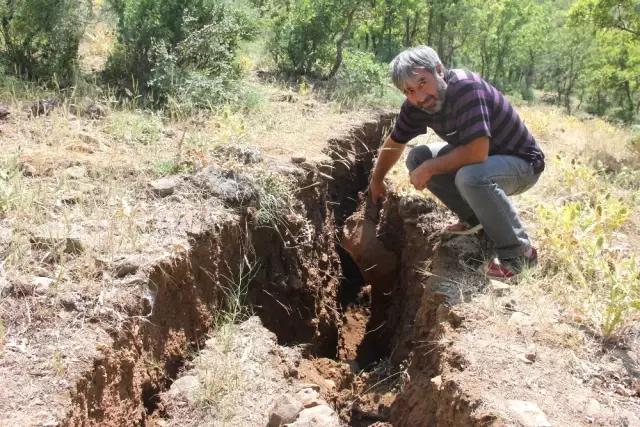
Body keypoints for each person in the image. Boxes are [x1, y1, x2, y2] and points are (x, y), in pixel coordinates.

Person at [369, 46, 545, 278]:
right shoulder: (416, 106)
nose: (419, 97)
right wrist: (377, 179)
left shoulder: (466, 88)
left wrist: (430, 168)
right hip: (486, 159)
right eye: (409, 91)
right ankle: (477, 223)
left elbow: (476, 154)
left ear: (439, 70)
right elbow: (395, 142)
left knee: (470, 176)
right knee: (418, 157)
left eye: (423, 83)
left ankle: (520, 255)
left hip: (522, 164)